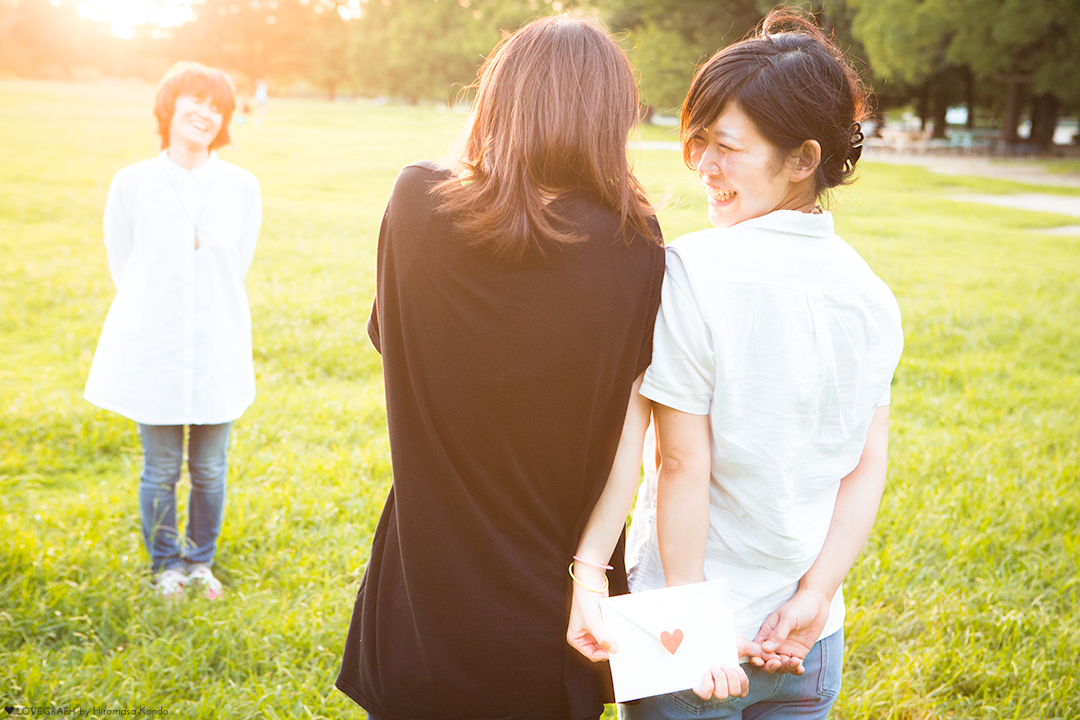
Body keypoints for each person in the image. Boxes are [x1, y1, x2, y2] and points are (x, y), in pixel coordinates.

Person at [567, 9, 904, 718]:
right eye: (697, 143)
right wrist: (816, 595)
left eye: (726, 147)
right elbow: (866, 465)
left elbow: (683, 463)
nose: (703, 166)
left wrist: (691, 619)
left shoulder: (692, 267)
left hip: (684, 628)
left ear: (804, 159)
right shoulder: (873, 297)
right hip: (808, 633)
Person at [335, 15, 666, 720]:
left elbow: (390, 339)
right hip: (552, 614)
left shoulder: (419, 202)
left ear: (500, 97)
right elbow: (628, 436)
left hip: (420, 600)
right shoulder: (636, 244)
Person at [84, 62, 262, 600]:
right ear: (170, 106)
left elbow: (239, 263)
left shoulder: (241, 186)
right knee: (159, 468)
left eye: (217, 106)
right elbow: (124, 264)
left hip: (217, 344)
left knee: (210, 469)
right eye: (196, 100)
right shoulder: (132, 182)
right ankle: (165, 565)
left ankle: (200, 562)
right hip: (154, 345)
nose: (205, 113)